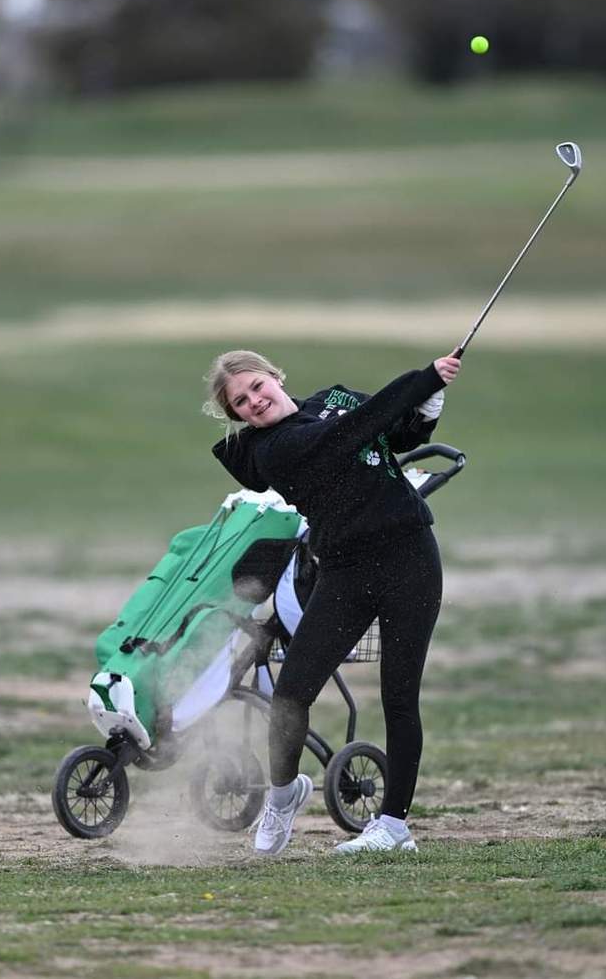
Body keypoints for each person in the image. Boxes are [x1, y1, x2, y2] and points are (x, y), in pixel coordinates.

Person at [203, 349, 461, 855]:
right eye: (241, 402)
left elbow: (398, 435)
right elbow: (350, 432)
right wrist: (420, 378)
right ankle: (282, 799)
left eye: (257, 386)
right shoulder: (270, 449)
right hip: (345, 570)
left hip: (411, 556)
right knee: (291, 694)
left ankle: (393, 826)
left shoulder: (334, 399)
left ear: (276, 377)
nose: (254, 402)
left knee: (399, 696)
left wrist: (429, 404)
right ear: (236, 416)